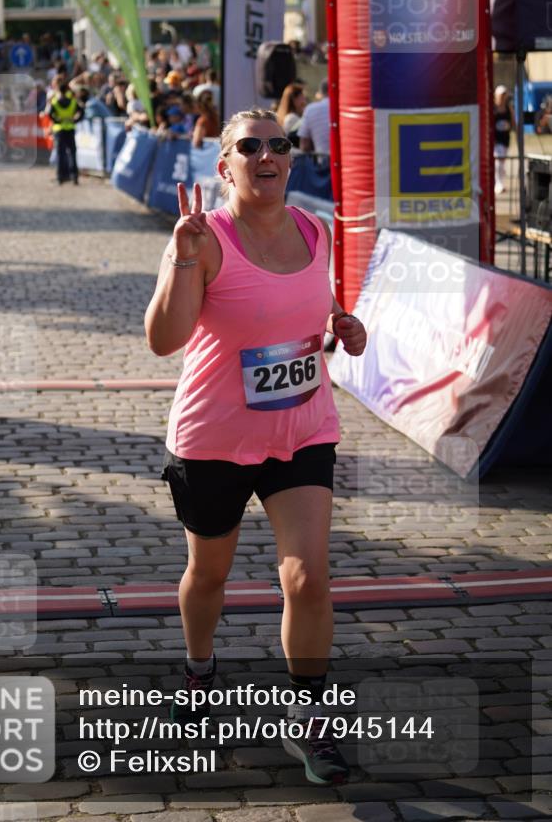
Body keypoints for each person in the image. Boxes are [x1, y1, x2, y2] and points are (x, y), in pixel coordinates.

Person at [145, 108, 367, 785]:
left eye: (280, 144)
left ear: (291, 158)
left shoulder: (315, 229)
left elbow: (312, 309)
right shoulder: (202, 236)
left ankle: (312, 725)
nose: (267, 154)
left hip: (300, 431)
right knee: (208, 575)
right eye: (250, 146)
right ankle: (200, 667)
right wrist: (183, 259)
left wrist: (341, 324)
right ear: (225, 165)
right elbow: (163, 339)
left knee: (307, 577)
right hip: (213, 439)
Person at [45, 73, 84, 185]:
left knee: (60, 154)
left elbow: (50, 114)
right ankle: (74, 177)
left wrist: (57, 121)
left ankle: (60, 177)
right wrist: (74, 120)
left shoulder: (55, 102)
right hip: (70, 129)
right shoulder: (72, 101)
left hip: (59, 130)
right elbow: (81, 112)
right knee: (72, 153)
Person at [298, 78, 330, 158]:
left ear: (321, 92)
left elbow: (304, 145)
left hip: (322, 162)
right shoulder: (348, 109)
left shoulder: (310, 109)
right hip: (349, 163)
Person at [494, 85, 516, 194]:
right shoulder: (493, 108)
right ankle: (498, 183)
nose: (503, 97)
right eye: (501, 95)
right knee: (498, 159)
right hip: (496, 139)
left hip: (505, 138)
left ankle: (499, 182)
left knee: (502, 162)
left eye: (504, 95)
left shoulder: (508, 108)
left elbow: (513, 122)